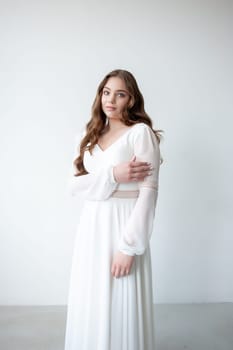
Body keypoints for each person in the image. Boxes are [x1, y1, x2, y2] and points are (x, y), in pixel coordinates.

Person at [64, 69, 162, 350]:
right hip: (92, 225)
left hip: (123, 225)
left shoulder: (140, 134)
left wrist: (128, 247)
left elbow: (148, 193)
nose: (111, 99)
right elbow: (73, 187)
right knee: (90, 295)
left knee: (122, 298)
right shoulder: (87, 135)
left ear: (131, 99)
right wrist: (113, 175)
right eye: (106, 92)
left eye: (120, 94)